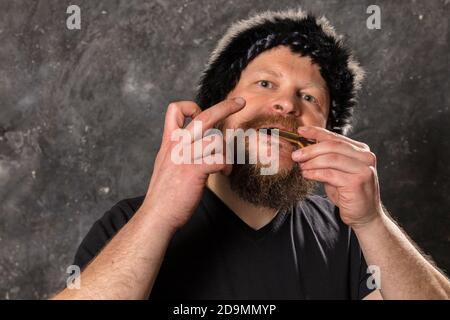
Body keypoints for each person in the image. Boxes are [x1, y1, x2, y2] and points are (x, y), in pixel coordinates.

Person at [53, 8, 450, 300]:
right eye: (265, 82)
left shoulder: (349, 234)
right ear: (217, 107)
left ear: (327, 136)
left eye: (309, 97)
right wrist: (158, 214)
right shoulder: (130, 223)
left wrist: (371, 220)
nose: (286, 105)